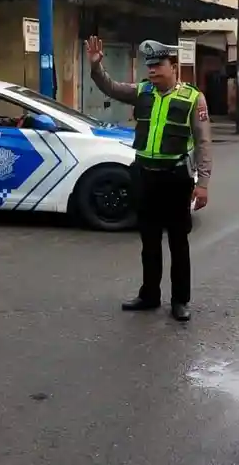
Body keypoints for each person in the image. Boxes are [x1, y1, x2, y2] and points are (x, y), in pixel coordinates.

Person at [86, 37, 213, 323]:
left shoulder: (193, 98)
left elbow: (204, 142)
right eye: (150, 66)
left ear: (174, 67)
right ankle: (149, 295)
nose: (152, 71)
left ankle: (180, 300)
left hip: (176, 178)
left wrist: (203, 183)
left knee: (178, 242)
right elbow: (111, 87)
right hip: (145, 175)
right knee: (149, 240)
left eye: (158, 66)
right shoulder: (142, 91)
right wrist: (96, 66)